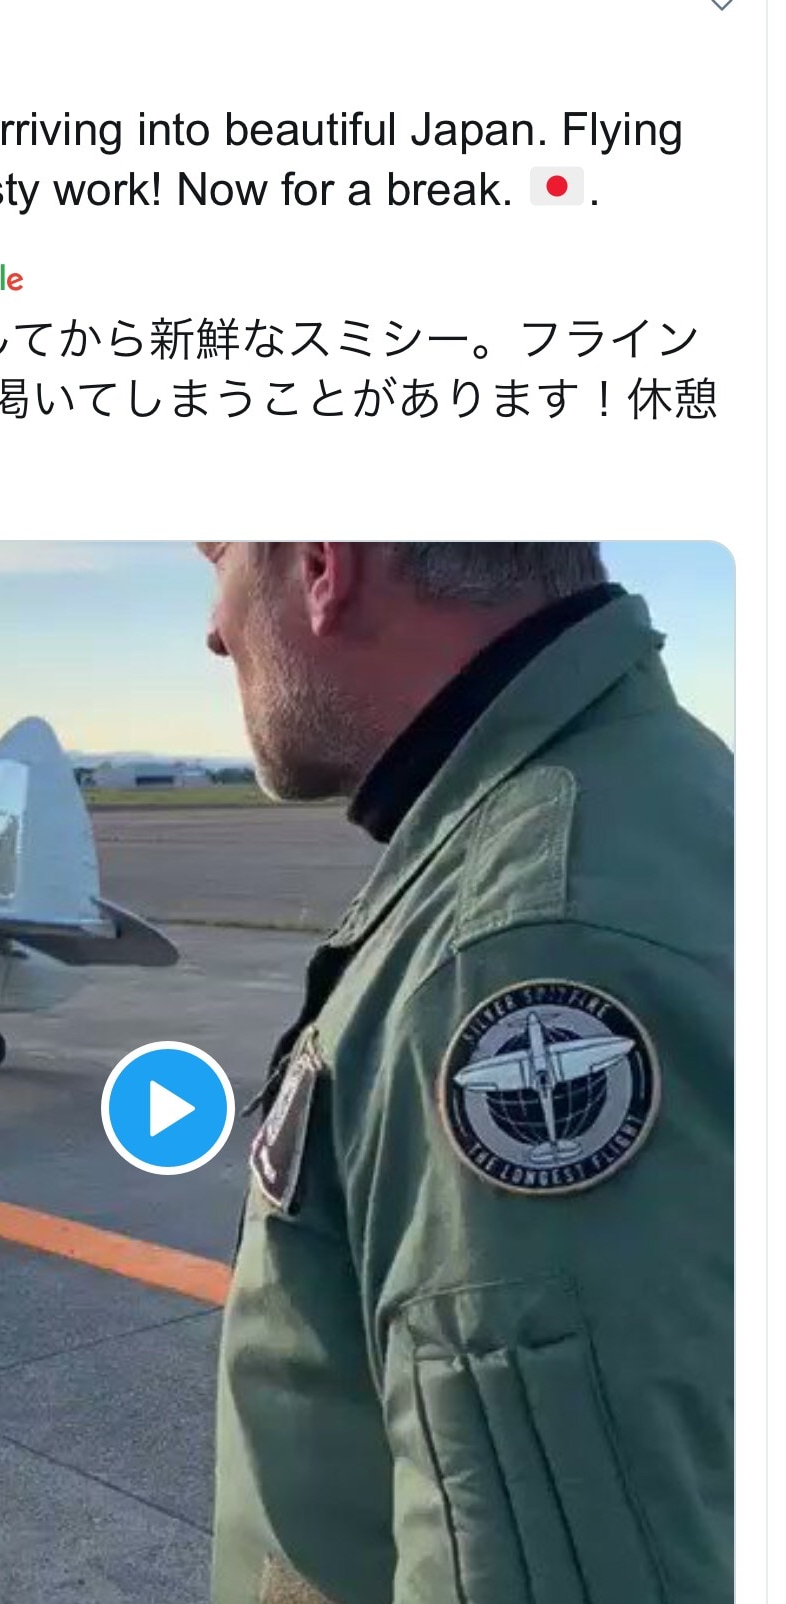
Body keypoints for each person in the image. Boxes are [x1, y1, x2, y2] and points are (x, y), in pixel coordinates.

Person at [198, 543, 732, 1604]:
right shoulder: (663, 791)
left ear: (322, 564)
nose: (215, 629)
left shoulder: (516, 947)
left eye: (220, 553)